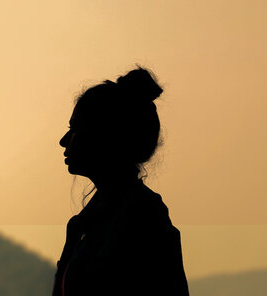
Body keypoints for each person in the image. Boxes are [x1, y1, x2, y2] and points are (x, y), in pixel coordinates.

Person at [52, 66, 189, 295]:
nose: (63, 141)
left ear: (105, 136)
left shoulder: (142, 215)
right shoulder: (89, 222)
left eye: (75, 129)